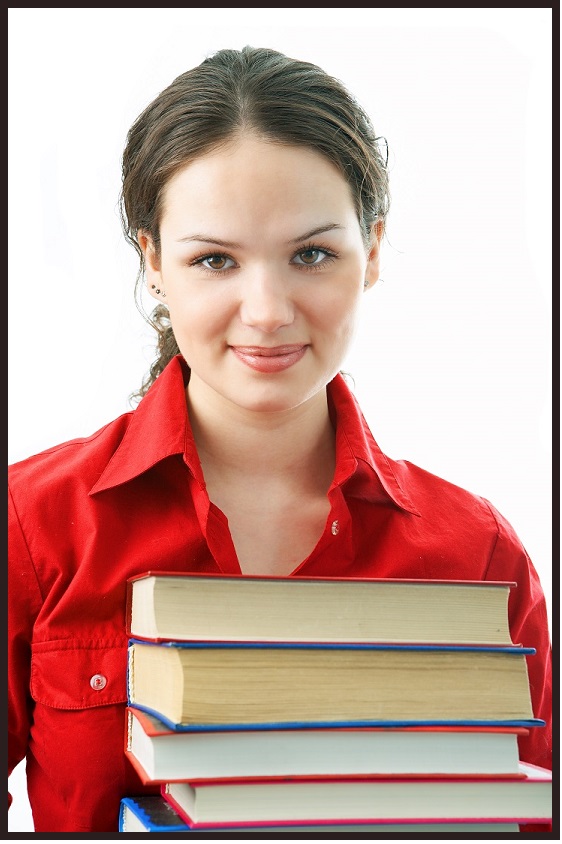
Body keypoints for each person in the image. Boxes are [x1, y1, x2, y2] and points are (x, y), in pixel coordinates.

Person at [8, 45, 552, 833]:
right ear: (154, 262)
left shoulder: (479, 557)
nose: (265, 311)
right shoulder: (32, 524)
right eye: (215, 259)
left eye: (311, 254)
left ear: (371, 252)